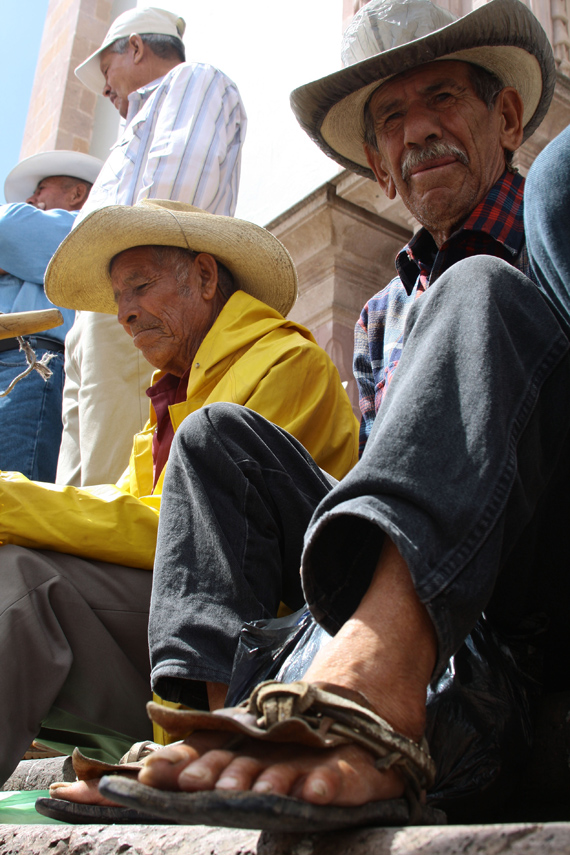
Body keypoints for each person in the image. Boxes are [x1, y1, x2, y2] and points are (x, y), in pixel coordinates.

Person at [51, 0, 570, 829]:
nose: (420, 131)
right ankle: (209, 725)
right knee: (216, 438)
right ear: (378, 162)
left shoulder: (551, 238)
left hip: (524, 606)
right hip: (421, 602)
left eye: (444, 100)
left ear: (506, 118)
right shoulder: (379, 316)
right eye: (393, 119)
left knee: (481, 288)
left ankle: (375, 692)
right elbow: (379, 489)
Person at [0, 197, 358, 788]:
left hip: (269, 652)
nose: (127, 314)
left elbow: (185, 535)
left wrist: (13, 503)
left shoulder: (287, 362)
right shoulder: (167, 399)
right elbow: (130, 524)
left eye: (140, 287)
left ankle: (200, 739)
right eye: (119, 300)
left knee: (19, 580)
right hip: (177, 642)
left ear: (205, 276)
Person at [57, 6, 247, 488]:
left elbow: (172, 201)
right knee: (75, 485)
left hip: (140, 294)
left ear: (136, 47)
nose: (105, 87)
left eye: (106, 69)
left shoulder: (192, 81)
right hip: (103, 311)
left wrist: (135, 289)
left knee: (110, 483)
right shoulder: (136, 123)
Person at [0, 150, 102, 480]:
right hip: (19, 363)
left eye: (42, 189)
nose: (32, 199)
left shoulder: (80, 227)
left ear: (77, 194)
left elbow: (6, 226)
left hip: (28, 362)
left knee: (15, 499)